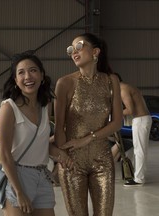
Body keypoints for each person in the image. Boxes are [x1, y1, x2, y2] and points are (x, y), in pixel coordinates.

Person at [54, 33, 123, 216]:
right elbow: (59, 127)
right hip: (72, 161)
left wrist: (87, 139)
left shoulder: (111, 80)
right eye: (71, 50)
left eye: (79, 47)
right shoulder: (65, 83)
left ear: (95, 51)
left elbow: (117, 122)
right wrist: (63, 158)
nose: (73, 52)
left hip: (102, 160)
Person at [0, 51, 73, 216]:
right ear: (16, 81)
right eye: (21, 72)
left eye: (33, 70)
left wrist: (59, 154)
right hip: (17, 176)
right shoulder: (9, 108)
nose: (27, 77)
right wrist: (19, 191)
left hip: (42, 176)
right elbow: (4, 154)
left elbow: (41, 144)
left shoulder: (45, 106)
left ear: (42, 75)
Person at [113, 72, 152, 186]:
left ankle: (139, 179)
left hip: (140, 120)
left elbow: (130, 110)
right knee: (140, 150)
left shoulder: (123, 89)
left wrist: (114, 114)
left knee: (139, 151)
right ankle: (139, 176)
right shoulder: (127, 87)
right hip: (142, 119)